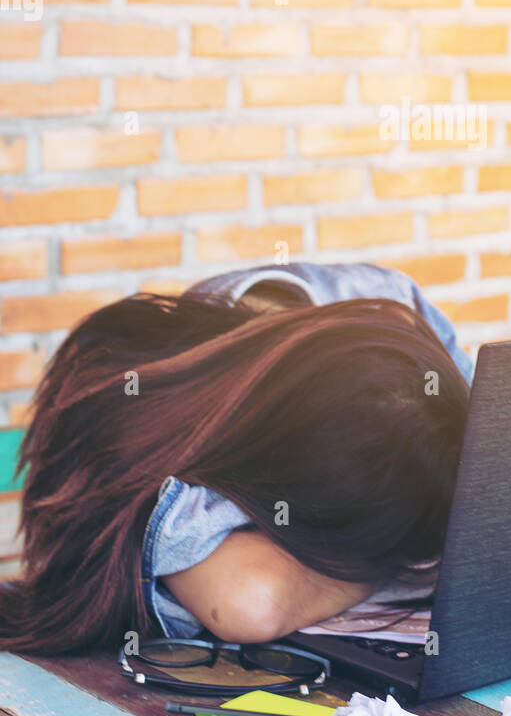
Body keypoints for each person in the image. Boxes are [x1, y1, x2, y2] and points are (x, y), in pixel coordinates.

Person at [0, 262, 473, 655]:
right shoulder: (139, 465)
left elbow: (474, 442)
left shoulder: (388, 314)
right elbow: (253, 602)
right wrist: (413, 553)